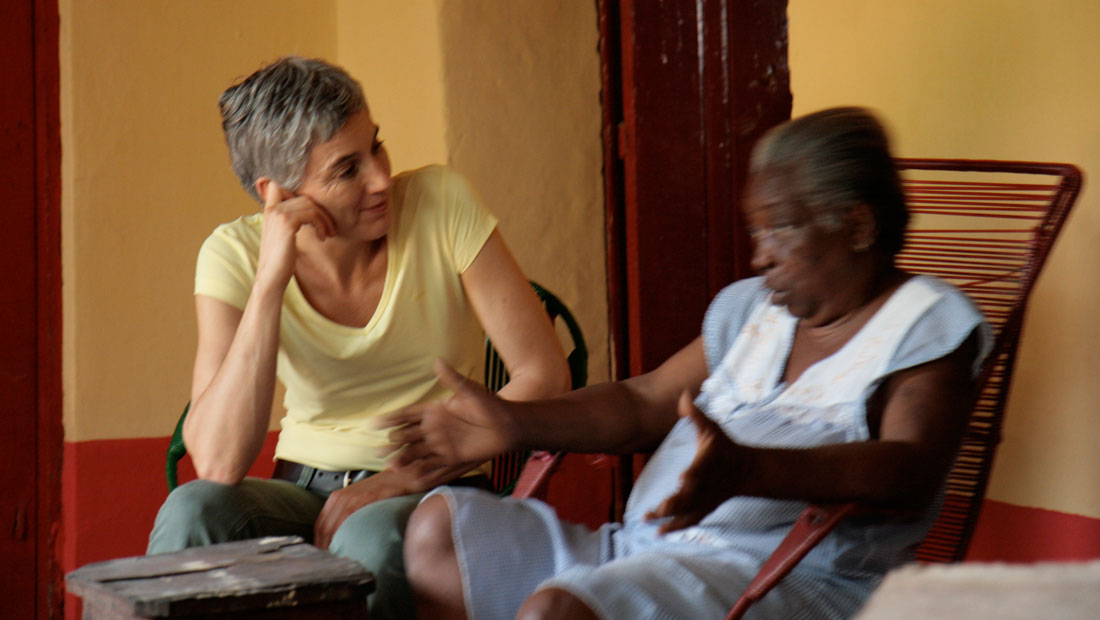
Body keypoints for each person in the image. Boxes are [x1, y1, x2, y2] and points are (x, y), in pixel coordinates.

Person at [382, 107, 993, 620]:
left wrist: (750, 470)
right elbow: (644, 401)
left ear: (857, 225)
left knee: (558, 611)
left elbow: (910, 470)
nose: (759, 257)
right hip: (644, 552)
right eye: (756, 233)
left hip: (785, 581)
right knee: (438, 531)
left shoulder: (926, 323)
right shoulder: (754, 310)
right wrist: (515, 423)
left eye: (780, 230)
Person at [146, 56, 570, 620]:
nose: (380, 179)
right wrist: (271, 279)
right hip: (303, 492)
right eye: (347, 169)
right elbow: (220, 463)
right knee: (192, 511)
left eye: (376, 146)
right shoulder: (233, 255)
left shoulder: (441, 203)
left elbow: (545, 374)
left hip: (435, 487)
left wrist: (397, 479)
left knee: (369, 537)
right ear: (278, 195)